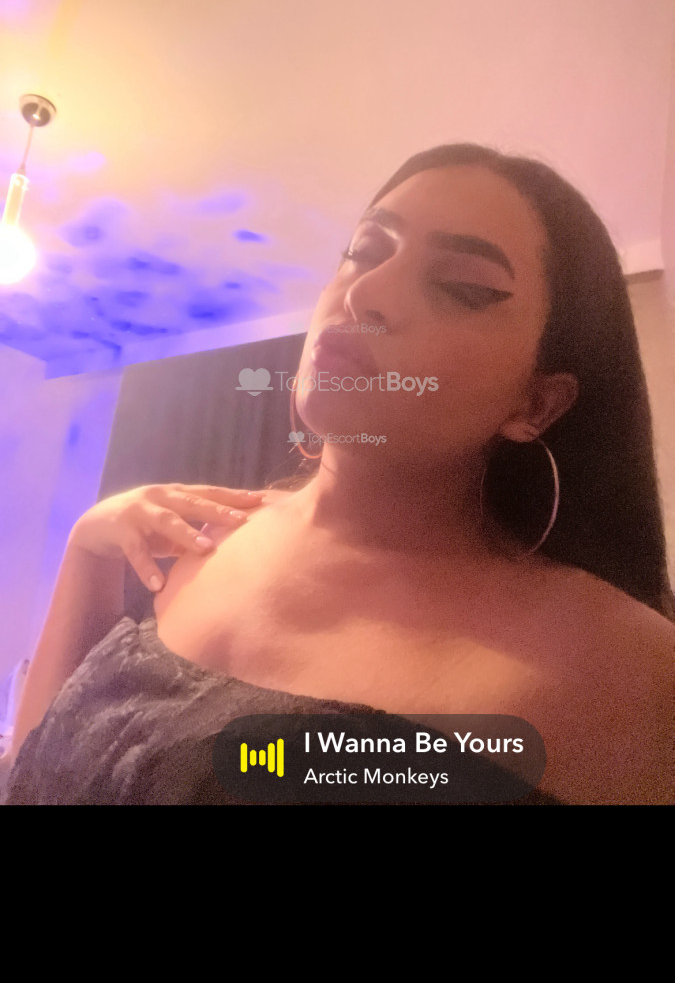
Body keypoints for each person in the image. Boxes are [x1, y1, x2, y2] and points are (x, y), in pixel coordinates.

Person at [6, 143, 674, 805]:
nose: (364, 294)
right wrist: (86, 551)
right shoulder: (185, 540)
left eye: (461, 288)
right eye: (364, 250)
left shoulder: (624, 671)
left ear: (535, 405)